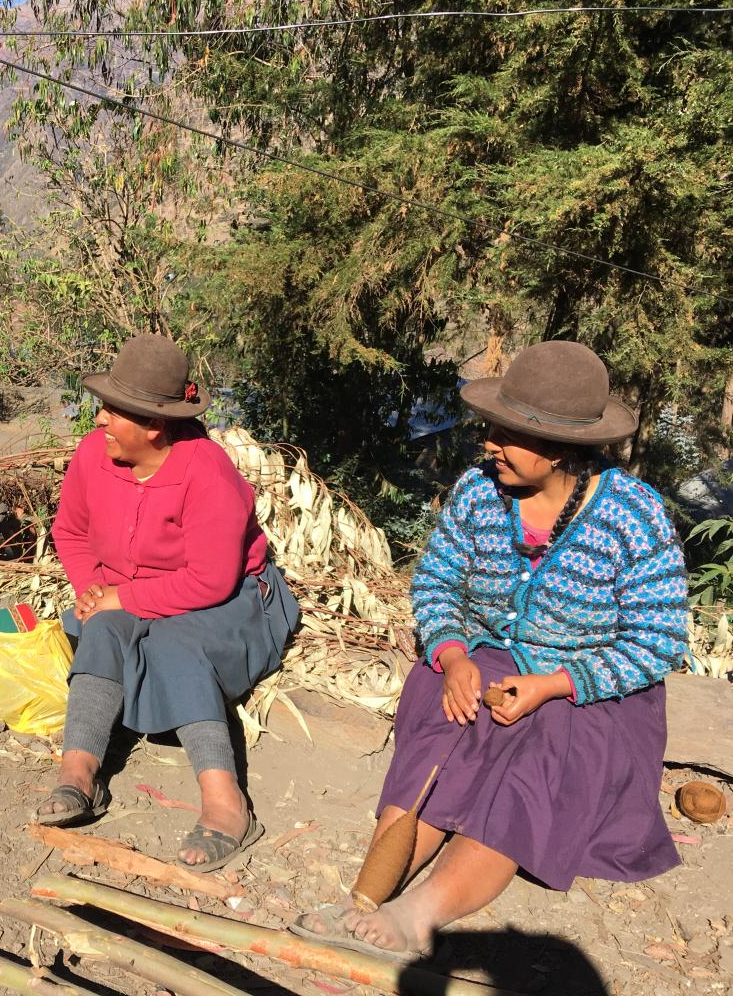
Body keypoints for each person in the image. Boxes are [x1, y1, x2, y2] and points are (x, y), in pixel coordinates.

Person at [293, 341, 687, 958]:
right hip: (482, 660)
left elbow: (658, 641)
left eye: (507, 436)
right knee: (443, 742)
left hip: (589, 689)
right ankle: (363, 899)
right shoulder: (479, 492)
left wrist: (555, 684)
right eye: (492, 431)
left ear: (559, 448)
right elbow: (437, 583)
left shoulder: (635, 517)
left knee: (535, 766)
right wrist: (453, 656)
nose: (488, 445)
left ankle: (420, 914)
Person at [39, 334, 300, 871]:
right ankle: (78, 774)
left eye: (113, 411)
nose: (100, 421)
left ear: (154, 426)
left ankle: (227, 800)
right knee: (105, 632)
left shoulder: (206, 474)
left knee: (179, 645)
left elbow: (210, 581)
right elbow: (71, 531)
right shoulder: (95, 456)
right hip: (128, 588)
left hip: (222, 599)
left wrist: (122, 595)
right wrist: (95, 592)